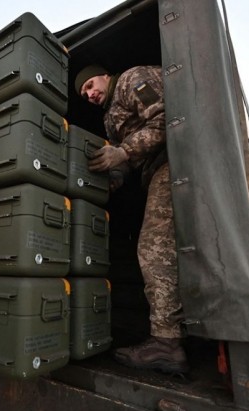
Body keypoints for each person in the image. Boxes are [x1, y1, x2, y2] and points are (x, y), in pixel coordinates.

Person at [75, 64, 188, 374]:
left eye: (91, 85)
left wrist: (122, 152)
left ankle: (166, 344)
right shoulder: (109, 118)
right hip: (155, 170)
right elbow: (126, 160)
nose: (90, 93)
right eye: (85, 93)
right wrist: (114, 175)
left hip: (175, 160)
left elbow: (168, 118)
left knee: (153, 249)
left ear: (105, 76)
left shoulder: (130, 80)